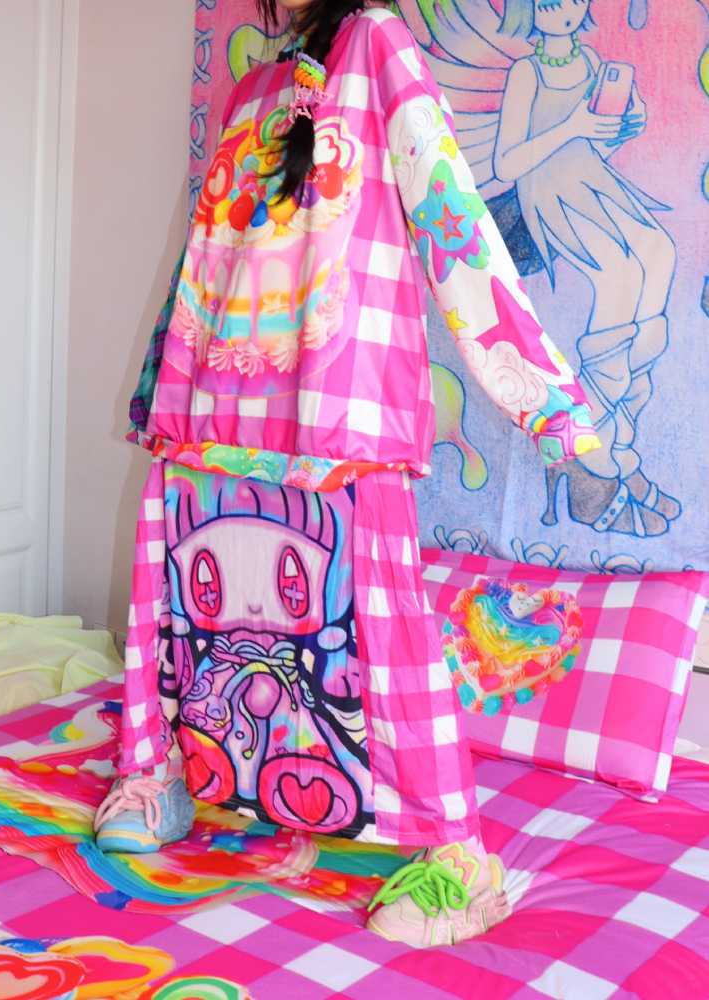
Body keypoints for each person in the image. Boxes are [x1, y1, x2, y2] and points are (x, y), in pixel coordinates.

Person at [94, 0, 600, 947]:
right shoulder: (253, 86)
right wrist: (163, 383)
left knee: (377, 625)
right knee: (186, 606)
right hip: (213, 397)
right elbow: (206, 250)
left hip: (337, 397)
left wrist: (545, 400)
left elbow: (452, 219)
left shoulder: (378, 43)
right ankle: (161, 770)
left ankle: (453, 857)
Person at [494, 0, 678, 536]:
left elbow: (598, 142)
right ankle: (591, 460)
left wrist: (624, 127)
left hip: (590, 177)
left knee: (659, 252)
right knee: (620, 274)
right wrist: (572, 125)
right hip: (547, 188)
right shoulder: (527, 72)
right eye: (551, 5)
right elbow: (507, 162)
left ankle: (614, 450)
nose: (567, 11)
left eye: (573, 1)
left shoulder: (592, 62)